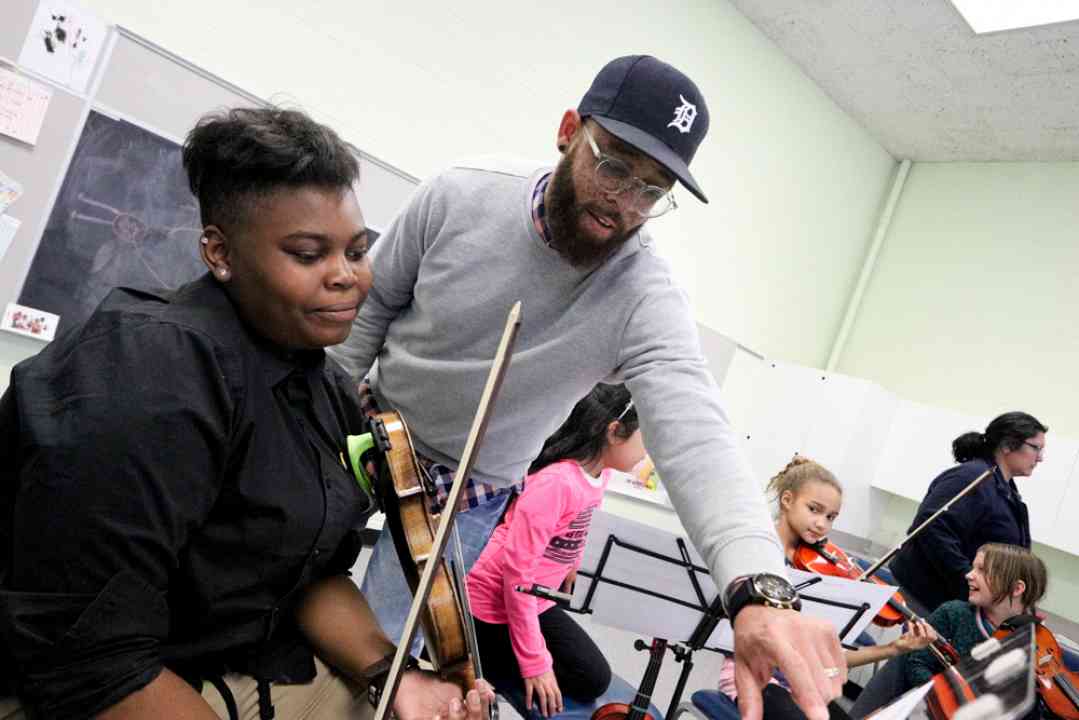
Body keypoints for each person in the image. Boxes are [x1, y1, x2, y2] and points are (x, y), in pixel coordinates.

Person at [329, 53, 843, 720]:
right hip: (368, 430)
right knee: (281, 585)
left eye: (651, 191)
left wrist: (758, 587)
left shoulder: (643, 293)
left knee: (380, 651)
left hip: (466, 497)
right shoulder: (460, 192)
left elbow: (695, 432)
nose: (623, 204)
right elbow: (367, 310)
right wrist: (317, 421)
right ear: (569, 129)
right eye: (614, 166)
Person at [0, 108, 493, 720]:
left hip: (223, 658)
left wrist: (392, 676)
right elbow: (89, 660)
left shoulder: (323, 388)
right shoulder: (146, 372)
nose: (347, 278)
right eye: (309, 254)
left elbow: (305, 577)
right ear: (220, 252)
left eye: (358, 250)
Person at [715, 456, 939, 720]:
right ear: (787, 500)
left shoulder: (816, 570)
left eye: (831, 516)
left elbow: (828, 660)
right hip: (756, 678)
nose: (823, 524)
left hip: (800, 682)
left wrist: (894, 649)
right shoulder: (759, 555)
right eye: (814, 509)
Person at [467, 383, 643, 717]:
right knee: (567, 674)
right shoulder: (555, 483)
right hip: (491, 604)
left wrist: (570, 563)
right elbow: (516, 577)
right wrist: (534, 663)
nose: (647, 449)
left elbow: (576, 524)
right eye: (643, 436)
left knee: (594, 678)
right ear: (614, 431)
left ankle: (495, 664)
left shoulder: (599, 475)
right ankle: (479, 666)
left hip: (535, 600)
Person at [850, 543, 1048, 719]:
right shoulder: (954, 613)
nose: (969, 575)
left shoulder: (1034, 639)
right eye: (973, 567)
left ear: (1016, 589)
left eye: (982, 570)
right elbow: (916, 662)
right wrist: (951, 700)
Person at [890, 412, 1046, 615]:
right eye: (1036, 448)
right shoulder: (971, 477)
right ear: (1008, 445)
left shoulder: (1005, 488)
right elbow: (931, 528)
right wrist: (970, 581)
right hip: (928, 598)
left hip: (955, 603)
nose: (1040, 458)